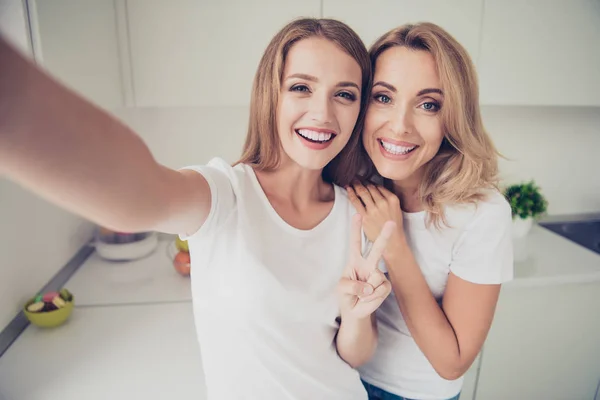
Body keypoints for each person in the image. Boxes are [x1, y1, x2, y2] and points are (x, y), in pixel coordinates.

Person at [0, 18, 395, 399]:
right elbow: (142, 191)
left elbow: (354, 355)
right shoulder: (224, 193)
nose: (323, 114)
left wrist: (356, 312)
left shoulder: (355, 214)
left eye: (344, 94)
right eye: (301, 87)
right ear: (271, 95)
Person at [341, 22, 514, 400]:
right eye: (383, 97)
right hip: (336, 380)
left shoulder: (482, 213)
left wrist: (394, 242)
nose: (399, 126)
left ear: (454, 116)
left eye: (428, 105)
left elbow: (452, 361)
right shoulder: (351, 177)